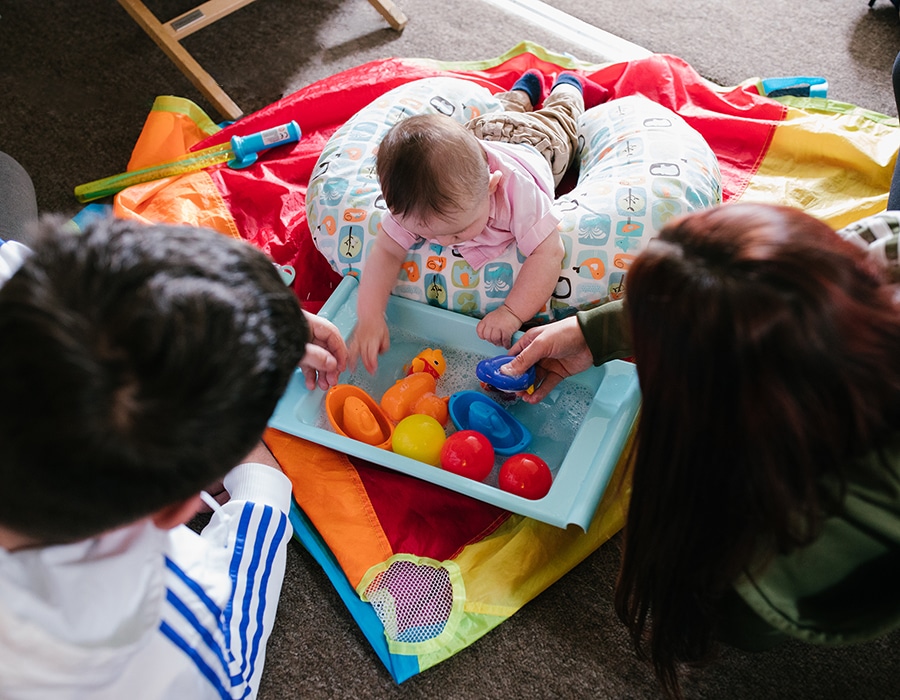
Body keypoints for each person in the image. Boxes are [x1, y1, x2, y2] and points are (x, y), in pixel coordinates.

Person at [502, 202, 900, 698]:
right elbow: (760, 300)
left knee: (736, 613)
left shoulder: (838, 504)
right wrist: (595, 331)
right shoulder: (872, 249)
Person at [0, 209, 346, 698]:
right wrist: (262, 487)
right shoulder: (170, 627)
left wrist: (249, 324)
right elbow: (234, 672)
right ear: (175, 509)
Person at [351, 71, 602, 374]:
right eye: (424, 233)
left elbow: (547, 253)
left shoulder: (517, 193)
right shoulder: (415, 202)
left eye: (457, 232)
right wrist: (370, 315)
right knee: (504, 111)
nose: (444, 243)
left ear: (492, 187)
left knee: (561, 121)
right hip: (481, 133)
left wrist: (511, 312)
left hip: (538, 143)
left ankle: (566, 88)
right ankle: (521, 94)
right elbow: (387, 252)